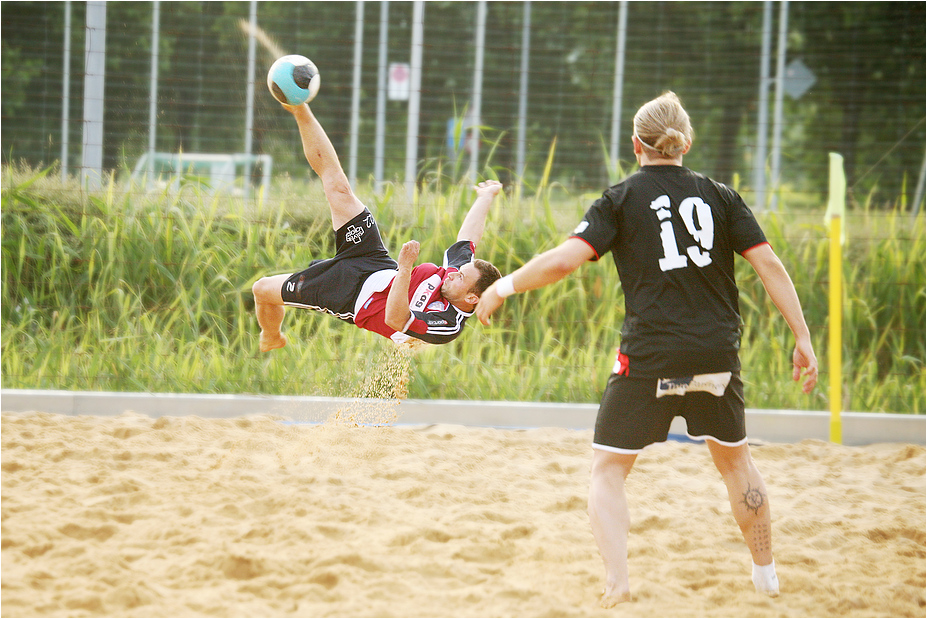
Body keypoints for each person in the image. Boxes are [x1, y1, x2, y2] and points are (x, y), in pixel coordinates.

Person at [475, 92, 818, 607]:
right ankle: (766, 577)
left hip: (652, 357)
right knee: (737, 466)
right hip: (715, 356)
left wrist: (503, 288)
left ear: (636, 144)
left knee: (609, 470)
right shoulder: (722, 196)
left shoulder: (621, 198)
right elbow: (769, 265)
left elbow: (567, 260)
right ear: (685, 143)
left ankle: (618, 582)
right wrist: (802, 336)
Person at [252, 102, 502, 350]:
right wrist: (486, 197)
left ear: (471, 297)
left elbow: (394, 319)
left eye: (459, 277)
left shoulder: (447, 324)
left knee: (261, 289)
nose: (453, 272)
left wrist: (405, 268)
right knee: (340, 189)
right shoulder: (461, 274)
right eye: (458, 270)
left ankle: (271, 336)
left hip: (347, 296)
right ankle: (299, 108)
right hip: (374, 261)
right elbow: (468, 239)